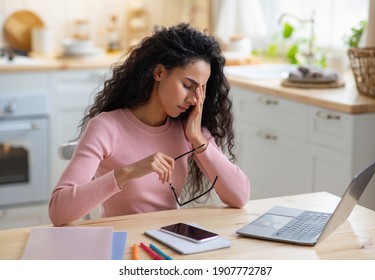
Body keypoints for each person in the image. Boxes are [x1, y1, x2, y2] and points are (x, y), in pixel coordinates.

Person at [49, 23, 250, 226]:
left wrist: (198, 139)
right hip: (123, 243)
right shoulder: (106, 127)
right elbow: (58, 211)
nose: (194, 99)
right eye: (187, 86)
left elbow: (239, 197)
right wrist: (128, 172)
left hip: (169, 242)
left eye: (200, 90)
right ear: (159, 72)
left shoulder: (189, 128)